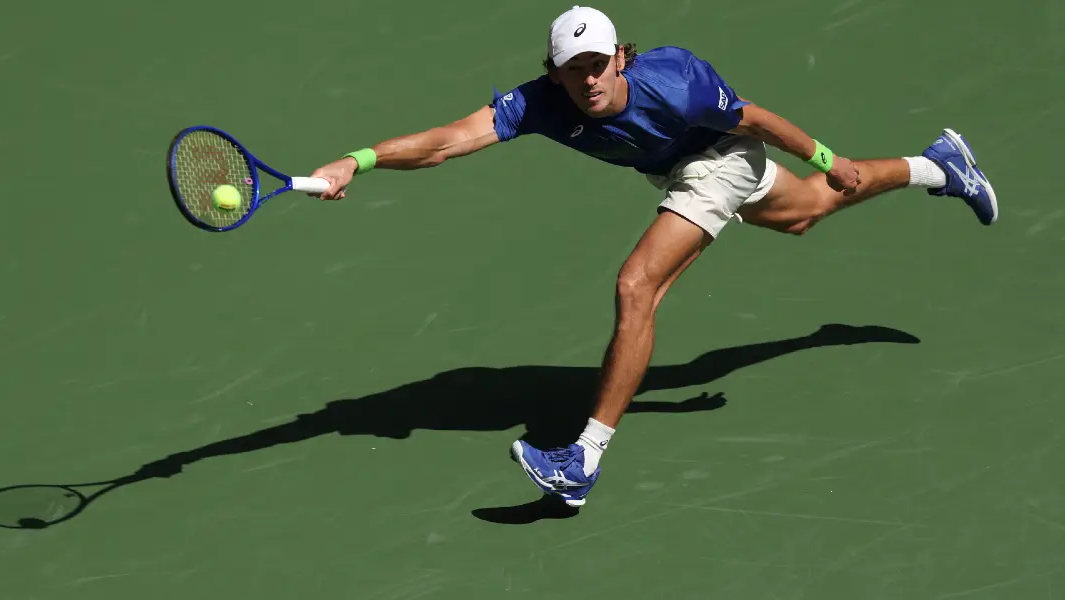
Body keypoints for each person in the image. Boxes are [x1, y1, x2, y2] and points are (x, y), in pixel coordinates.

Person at [305, 5, 997, 507]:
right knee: (807, 211)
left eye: (597, 65)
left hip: (719, 157)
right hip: (673, 168)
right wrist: (356, 161)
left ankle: (582, 458)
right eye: (572, 70)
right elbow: (449, 140)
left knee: (637, 285)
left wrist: (826, 153)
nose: (588, 80)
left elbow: (751, 119)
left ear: (620, 58)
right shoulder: (542, 104)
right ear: (554, 72)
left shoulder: (680, 82)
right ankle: (937, 167)